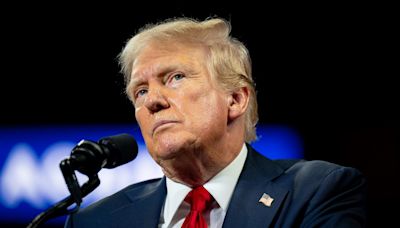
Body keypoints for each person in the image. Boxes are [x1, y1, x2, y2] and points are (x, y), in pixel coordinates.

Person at [65, 17, 367, 227]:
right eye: (140, 91)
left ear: (235, 99)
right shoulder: (95, 221)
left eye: (176, 78)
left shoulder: (315, 192)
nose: (152, 101)